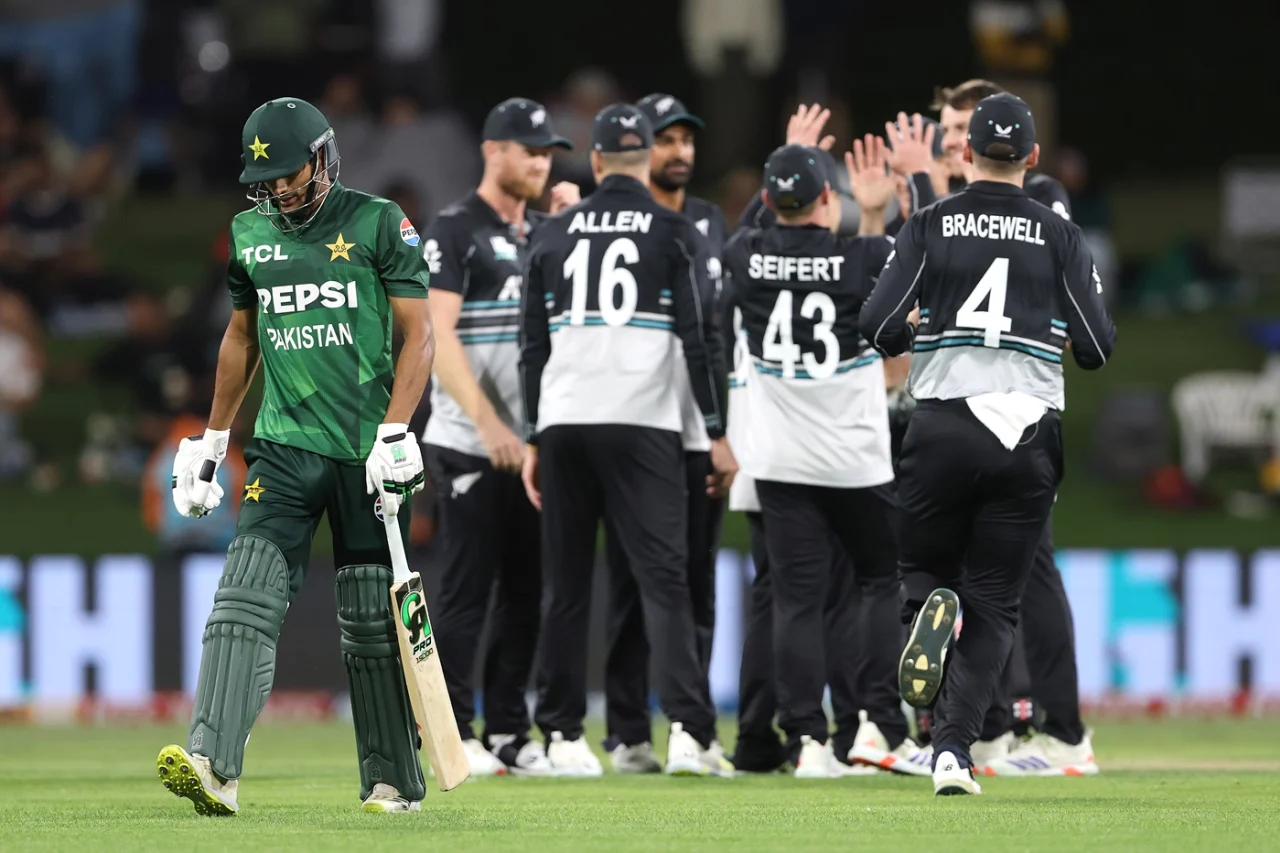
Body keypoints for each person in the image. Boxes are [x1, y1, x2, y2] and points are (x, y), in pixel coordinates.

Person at [157, 97, 436, 815]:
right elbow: (241, 339)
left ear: (322, 156)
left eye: (291, 174)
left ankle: (391, 781)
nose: (280, 190)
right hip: (282, 448)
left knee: (371, 623)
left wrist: (397, 430)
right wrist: (215, 440)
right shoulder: (250, 233)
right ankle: (213, 763)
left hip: (365, 452)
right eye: (268, 180)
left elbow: (421, 335)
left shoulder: (379, 222)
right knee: (243, 595)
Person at [859, 93, 1115, 796]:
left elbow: (877, 324)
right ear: (1033, 158)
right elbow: (1095, 347)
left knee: (924, 575)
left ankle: (924, 626)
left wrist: (922, 329)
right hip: (1027, 432)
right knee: (998, 603)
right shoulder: (1059, 233)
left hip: (942, 424)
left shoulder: (934, 223)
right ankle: (954, 753)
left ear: (965, 152)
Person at [520, 103, 736, 777]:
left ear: (593, 163)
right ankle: (691, 736)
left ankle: (559, 735)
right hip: (642, 424)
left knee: (566, 587)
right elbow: (698, 340)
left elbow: (533, 346)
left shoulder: (552, 234)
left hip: (563, 425)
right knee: (665, 582)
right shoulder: (675, 230)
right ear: (644, 161)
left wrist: (532, 436)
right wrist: (718, 430)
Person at [927, 77, 1093, 774]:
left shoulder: (1040, 202)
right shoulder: (938, 204)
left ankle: (1058, 727)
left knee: (1030, 572)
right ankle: (986, 726)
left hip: (1016, 412)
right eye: (948, 127)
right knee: (972, 578)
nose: (954, 139)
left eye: (959, 125)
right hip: (955, 417)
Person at [724, 142, 904, 779]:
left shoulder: (744, 254)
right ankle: (879, 726)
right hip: (854, 456)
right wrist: (879, 213)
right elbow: (894, 324)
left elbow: (745, 233)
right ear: (830, 199)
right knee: (880, 583)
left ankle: (806, 743)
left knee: (795, 602)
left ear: (772, 202)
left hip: (779, 457)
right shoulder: (865, 252)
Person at [419, 97, 571, 778]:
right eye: (528, 149)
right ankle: (453, 729)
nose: (540, 161)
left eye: (547, 151)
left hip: (534, 446)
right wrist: (487, 423)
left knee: (527, 588)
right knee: (465, 590)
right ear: (492, 150)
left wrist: (574, 226)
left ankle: (510, 728)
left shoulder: (546, 229)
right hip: (467, 440)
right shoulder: (455, 229)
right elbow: (434, 334)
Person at [596, 92, 729, 773]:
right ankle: (627, 730)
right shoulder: (614, 228)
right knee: (628, 582)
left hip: (696, 435)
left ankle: (689, 726)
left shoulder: (709, 222)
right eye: (665, 140)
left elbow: (723, 331)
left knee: (694, 581)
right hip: (637, 426)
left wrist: (723, 428)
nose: (679, 152)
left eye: (686, 140)